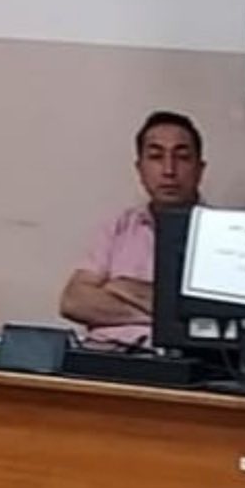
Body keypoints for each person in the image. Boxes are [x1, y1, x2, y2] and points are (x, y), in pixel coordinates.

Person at [59, 110, 205, 346]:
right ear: (139, 169)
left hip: (180, 359)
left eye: (182, 157)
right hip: (107, 354)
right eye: (156, 157)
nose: (169, 170)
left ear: (200, 169)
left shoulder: (221, 234)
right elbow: (74, 302)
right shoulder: (117, 227)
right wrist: (168, 317)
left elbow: (214, 318)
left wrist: (121, 287)